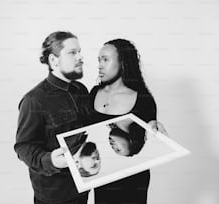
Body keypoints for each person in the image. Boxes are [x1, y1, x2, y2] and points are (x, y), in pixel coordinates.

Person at [14, 31, 91, 204]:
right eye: (72, 53)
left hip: (83, 185)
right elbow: (23, 147)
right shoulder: (34, 100)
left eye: (80, 51)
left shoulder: (81, 90)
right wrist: (50, 161)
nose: (80, 57)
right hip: (53, 195)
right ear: (53, 60)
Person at [90, 39, 158, 203]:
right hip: (103, 176)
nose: (100, 65)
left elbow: (150, 137)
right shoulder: (92, 93)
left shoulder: (143, 99)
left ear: (123, 62)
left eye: (105, 59)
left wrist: (156, 128)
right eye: (99, 60)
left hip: (133, 180)